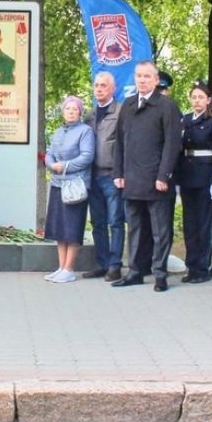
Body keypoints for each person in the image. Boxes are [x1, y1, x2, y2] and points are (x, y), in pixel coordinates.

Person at [112, 61, 182, 292]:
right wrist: (118, 173)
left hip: (156, 180)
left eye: (146, 76)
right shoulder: (129, 105)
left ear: (155, 80)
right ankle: (135, 271)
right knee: (135, 228)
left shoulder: (166, 106)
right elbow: (120, 142)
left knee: (160, 230)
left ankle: (160, 274)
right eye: (138, 76)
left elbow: (172, 145)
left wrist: (164, 175)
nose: (141, 80)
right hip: (132, 179)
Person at [43, 95, 96, 283]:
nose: (71, 112)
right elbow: (49, 153)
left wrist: (64, 166)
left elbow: (87, 156)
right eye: (68, 108)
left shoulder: (85, 131)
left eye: (75, 109)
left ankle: (70, 268)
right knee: (59, 228)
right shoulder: (58, 132)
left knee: (72, 227)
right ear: (63, 111)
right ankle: (61, 267)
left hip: (76, 185)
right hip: (58, 184)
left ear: (80, 112)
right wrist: (51, 165)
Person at [82, 72, 125, 281]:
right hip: (93, 175)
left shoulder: (121, 111)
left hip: (112, 175)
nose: (99, 89)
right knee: (97, 222)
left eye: (103, 85)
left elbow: (126, 145)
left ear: (113, 88)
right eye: (96, 85)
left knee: (115, 221)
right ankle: (102, 263)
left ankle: (115, 265)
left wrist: (122, 172)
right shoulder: (89, 115)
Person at [177, 81, 212, 283]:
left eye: (201, 97)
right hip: (187, 176)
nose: (197, 100)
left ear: (208, 100)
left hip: (204, 175)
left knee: (203, 223)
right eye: (194, 97)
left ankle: (202, 267)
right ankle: (191, 266)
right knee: (189, 224)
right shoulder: (184, 120)